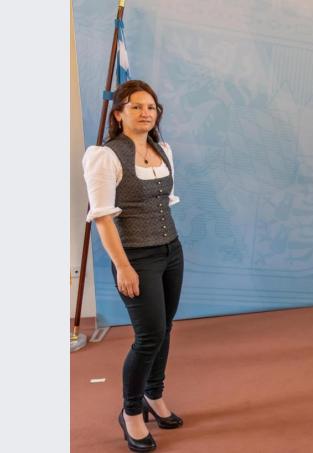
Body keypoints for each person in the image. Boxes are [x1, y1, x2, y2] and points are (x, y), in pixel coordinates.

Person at [83, 80, 185, 452]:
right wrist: (123, 266)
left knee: (165, 328)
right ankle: (130, 412)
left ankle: (154, 395)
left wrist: (170, 250)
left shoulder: (163, 150)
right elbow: (102, 218)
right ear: (119, 114)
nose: (145, 113)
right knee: (148, 337)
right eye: (137, 107)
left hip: (172, 252)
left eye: (151, 107)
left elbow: (162, 201)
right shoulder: (106, 156)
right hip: (136, 257)